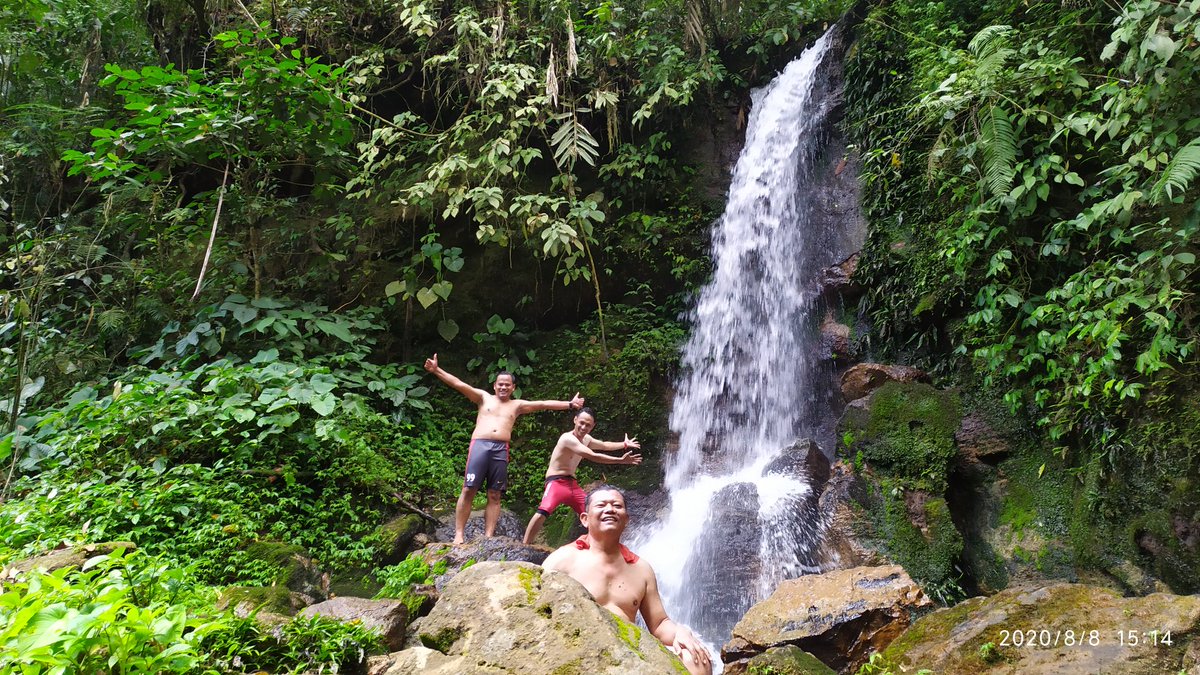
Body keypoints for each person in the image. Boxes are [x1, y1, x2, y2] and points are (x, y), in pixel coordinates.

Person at [542, 486, 713, 675]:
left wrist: (680, 631)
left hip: (627, 651)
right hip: (579, 649)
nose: (610, 509)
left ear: (626, 520)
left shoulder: (641, 569)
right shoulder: (562, 561)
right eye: (601, 505)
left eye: (617, 505)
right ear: (584, 519)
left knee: (697, 659)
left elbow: (658, 624)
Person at [424, 353, 584, 545]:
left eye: (507, 384)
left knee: (495, 494)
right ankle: (459, 534)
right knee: (469, 489)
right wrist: (436, 370)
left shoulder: (517, 405)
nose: (503, 387)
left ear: (513, 388)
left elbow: (542, 404)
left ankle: (488, 536)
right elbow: (458, 384)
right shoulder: (483, 398)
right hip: (480, 446)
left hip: (500, 449)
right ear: (494, 386)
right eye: (500, 384)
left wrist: (569, 404)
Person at [521, 408, 642, 545]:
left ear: (593, 426)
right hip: (556, 482)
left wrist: (624, 444)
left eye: (588, 425)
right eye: (581, 423)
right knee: (544, 510)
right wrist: (620, 461)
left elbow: (603, 445)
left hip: (572, 484)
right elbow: (592, 455)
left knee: (592, 512)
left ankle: (604, 546)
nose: (583, 427)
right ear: (575, 420)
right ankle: (525, 544)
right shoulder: (567, 438)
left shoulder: (587, 439)